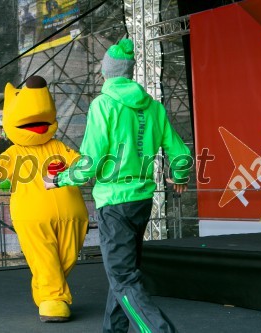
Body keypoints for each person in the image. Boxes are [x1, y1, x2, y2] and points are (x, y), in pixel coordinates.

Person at [44, 39, 192, 333]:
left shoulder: (103, 104)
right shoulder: (153, 107)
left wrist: (59, 179)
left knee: (122, 277)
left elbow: (92, 160)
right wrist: (180, 176)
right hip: (141, 200)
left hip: (114, 202)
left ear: (106, 72)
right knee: (123, 275)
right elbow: (179, 152)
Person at [0, 76, 89, 322]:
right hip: (33, 219)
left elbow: (82, 165)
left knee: (66, 259)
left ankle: (47, 292)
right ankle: (54, 299)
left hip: (73, 217)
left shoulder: (60, 146)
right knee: (46, 259)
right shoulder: (14, 153)